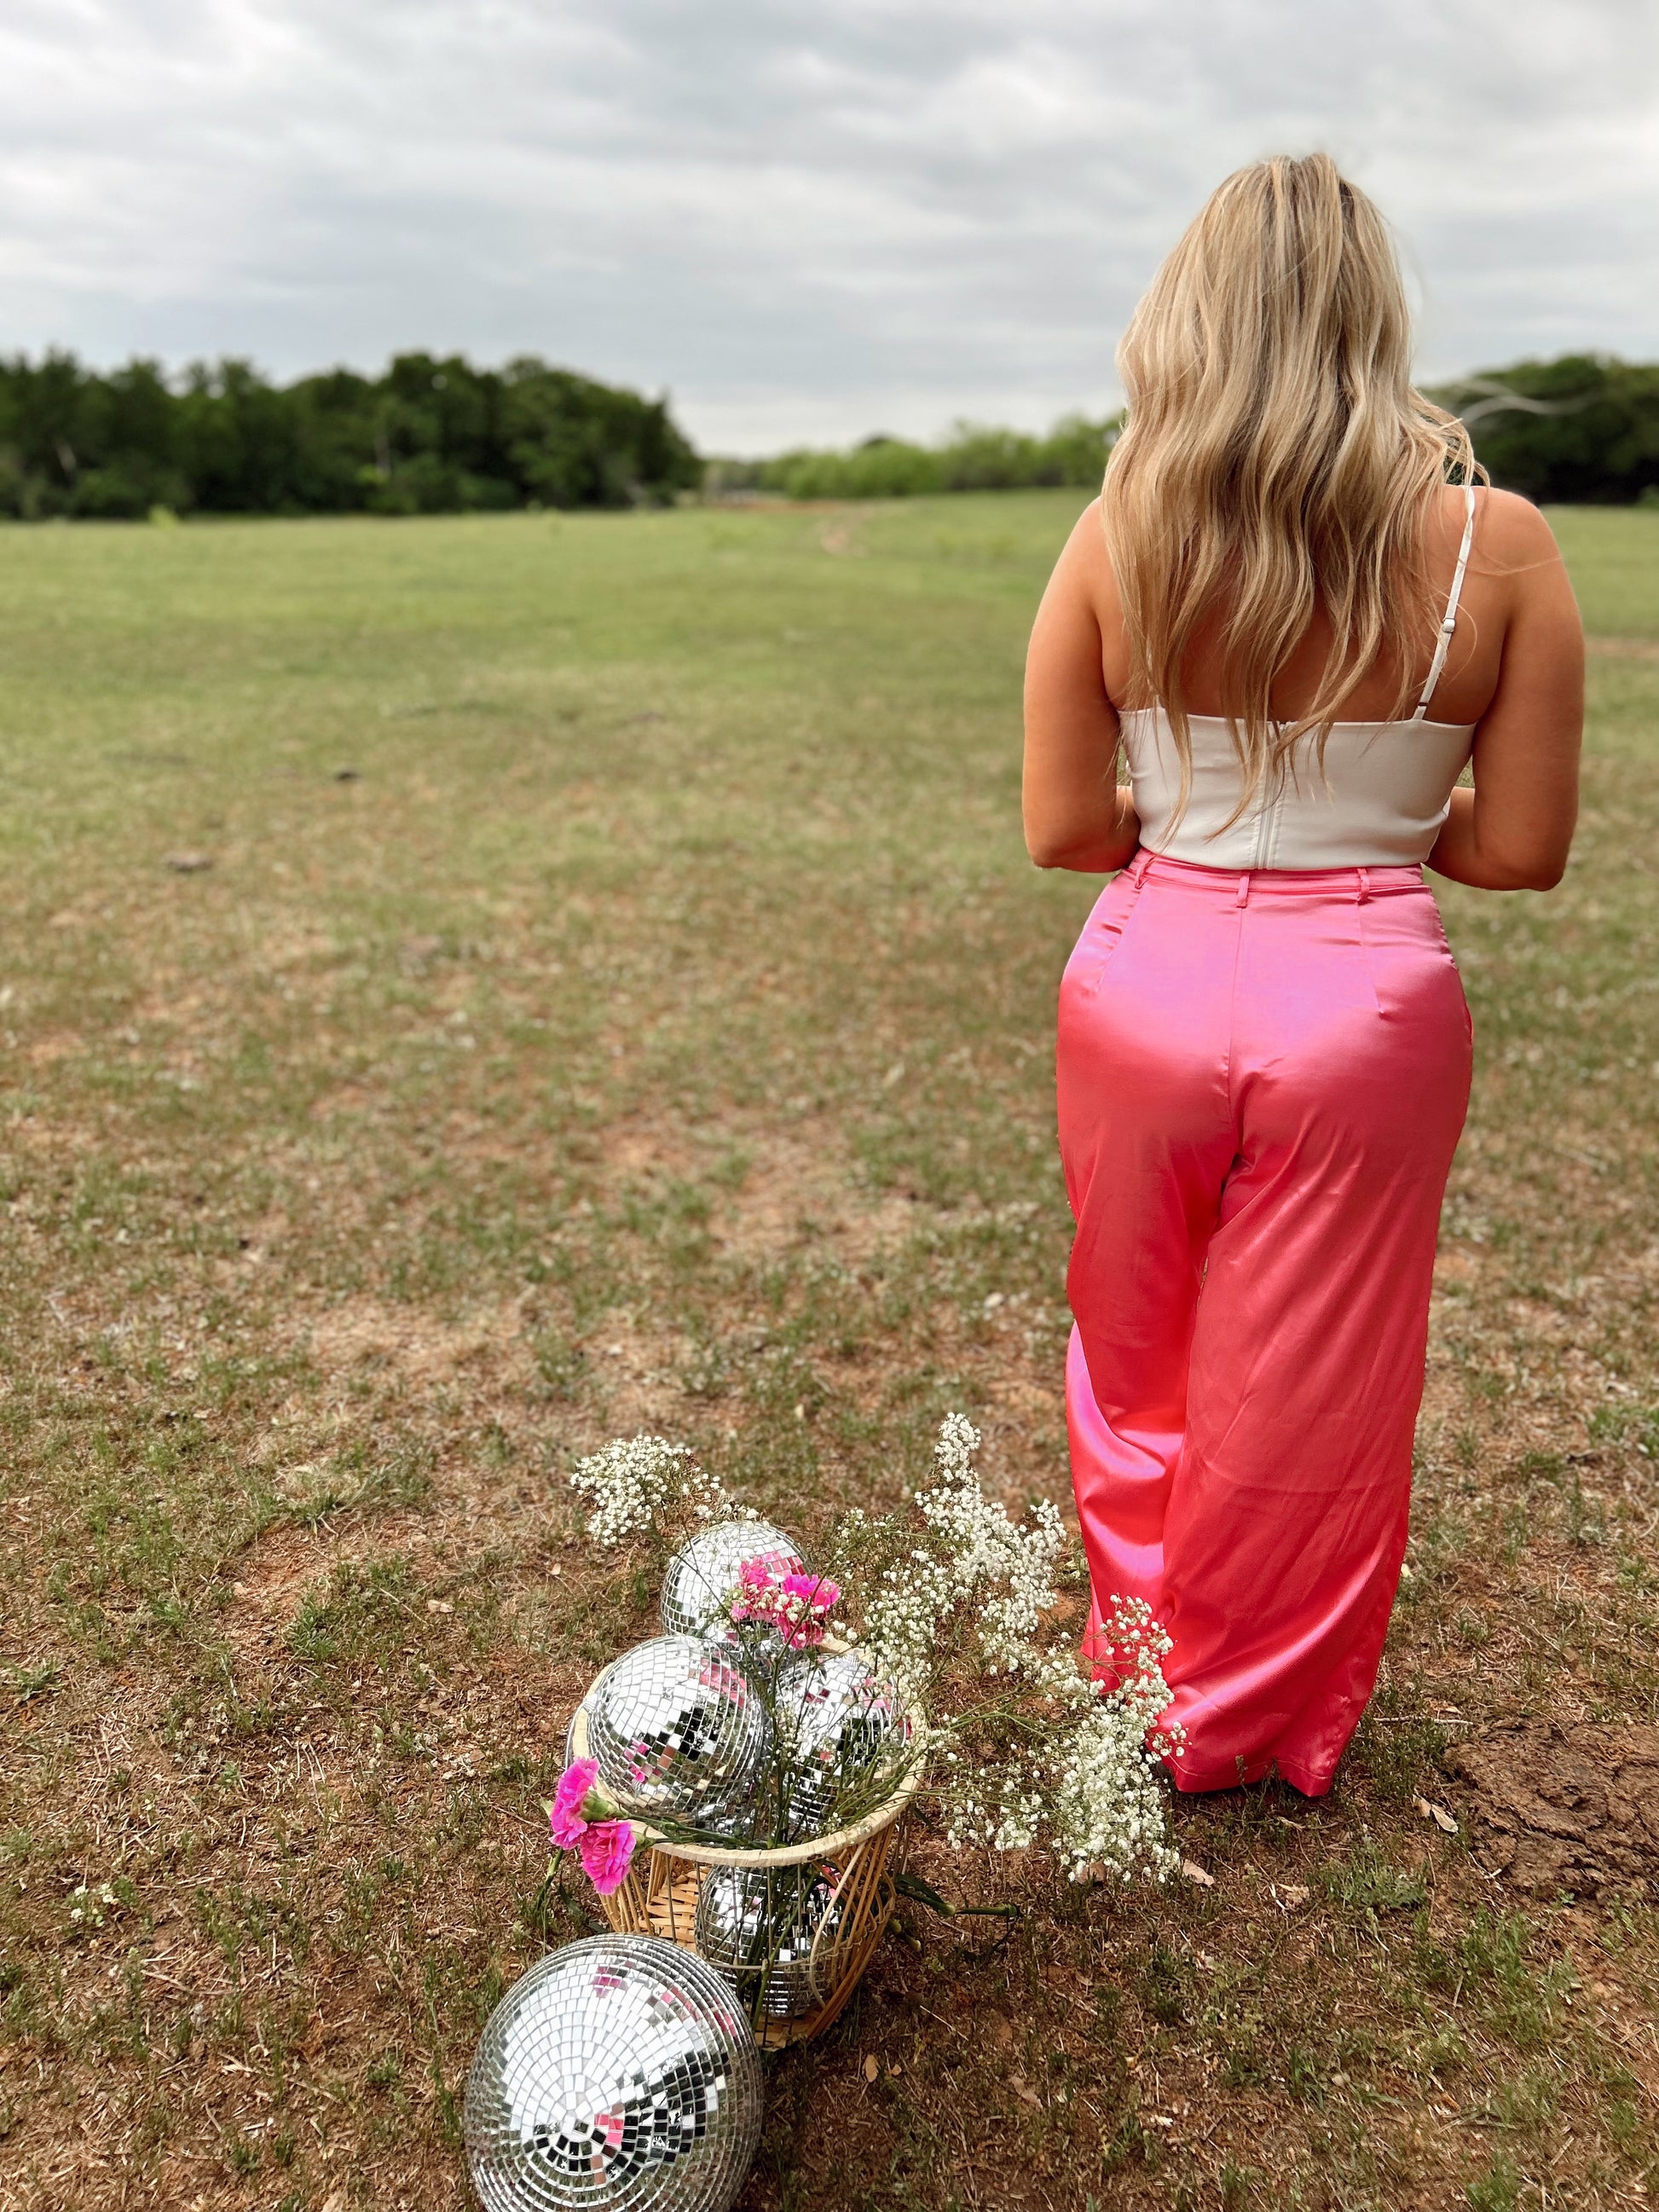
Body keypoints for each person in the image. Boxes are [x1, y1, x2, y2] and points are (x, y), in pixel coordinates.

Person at [1021, 153, 1583, 1796]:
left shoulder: (1119, 531)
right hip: (1366, 1004)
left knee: (1133, 1352)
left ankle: (1140, 1679)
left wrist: (1210, 809)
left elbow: (1065, 827)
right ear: (1372, 320)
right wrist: (1372, 810)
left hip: (1143, 980)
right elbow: (1519, 848)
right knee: (1317, 1376)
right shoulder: (1499, 545)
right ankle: (1249, 1720)